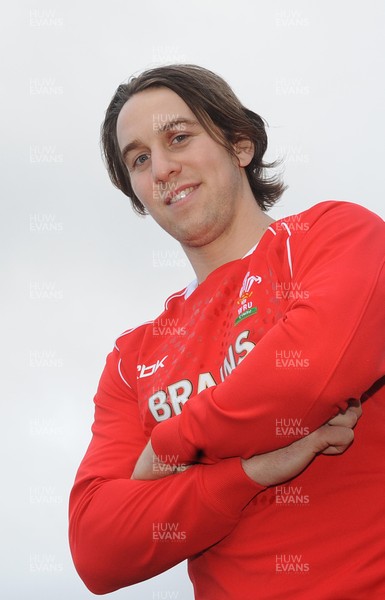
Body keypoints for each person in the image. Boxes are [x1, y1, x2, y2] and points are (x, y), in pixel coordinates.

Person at [69, 65, 385, 599]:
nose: (162, 168)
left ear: (240, 144)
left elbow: (308, 378)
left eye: (179, 138)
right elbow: (98, 548)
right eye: (139, 159)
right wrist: (251, 473)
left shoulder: (335, 237)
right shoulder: (131, 359)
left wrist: (167, 452)